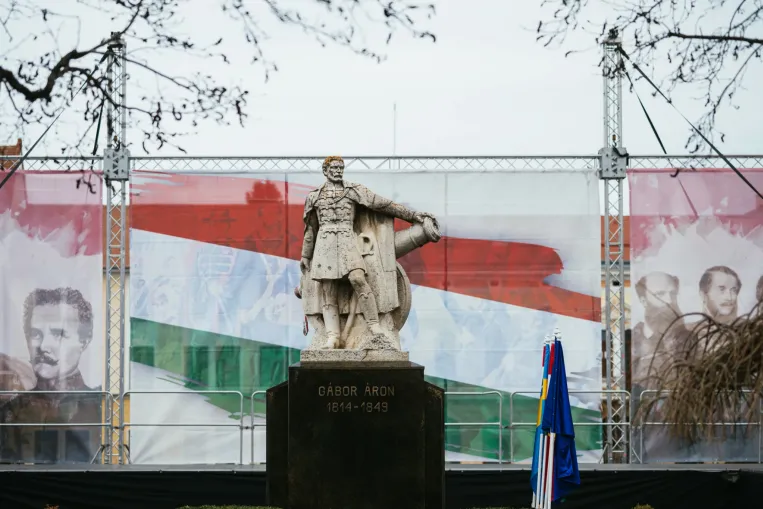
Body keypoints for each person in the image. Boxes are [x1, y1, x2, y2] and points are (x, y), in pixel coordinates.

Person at [0, 288, 101, 464]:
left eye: (59, 334)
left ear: (84, 341)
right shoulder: (11, 411)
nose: (44, 345)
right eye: (35, 334)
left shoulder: (100, 407)